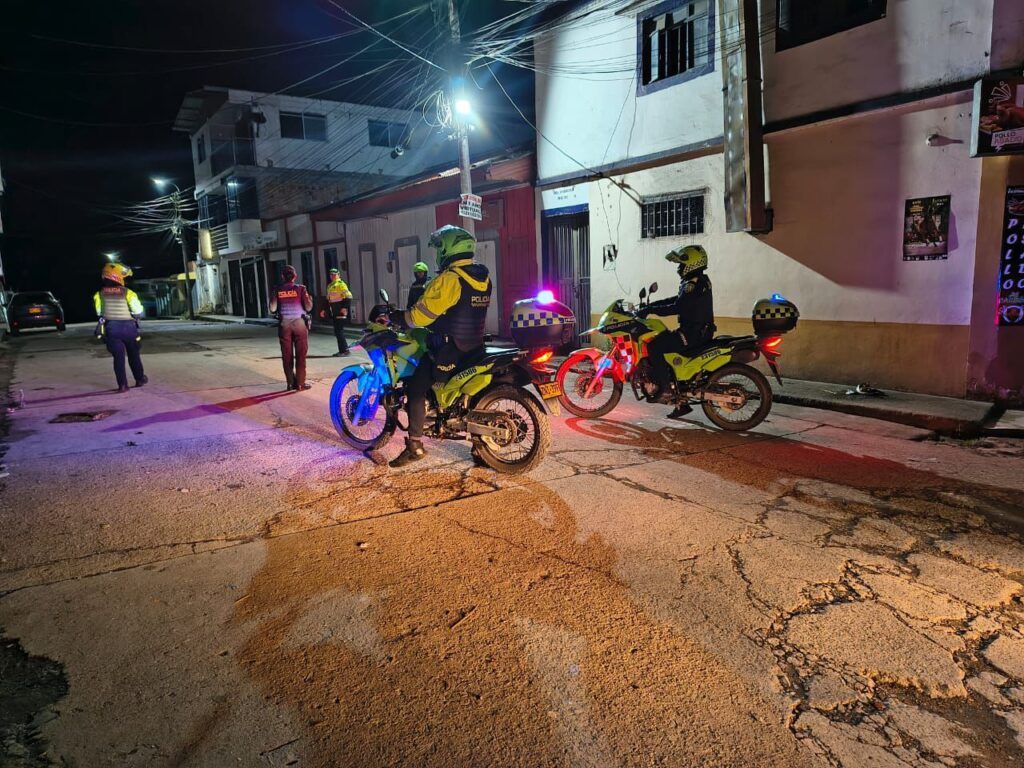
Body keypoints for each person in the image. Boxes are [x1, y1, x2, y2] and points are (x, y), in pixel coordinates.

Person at [388, 225, 491, 467]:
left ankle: (414, 445)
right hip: (474, 347)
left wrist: (397, 317)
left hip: (449, 349)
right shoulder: (483, 276)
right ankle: (480, 447)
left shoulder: (450, 279)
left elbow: (419, 317)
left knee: (415, 387)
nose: (437, 254)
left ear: (447, 250)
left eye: (439, 249)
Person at [638, 244, 715, 418]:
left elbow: (677, 307)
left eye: (681, 264)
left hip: (693, 334)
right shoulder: (696, 281)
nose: (679, 268)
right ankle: (681, 403)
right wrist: (651, 306)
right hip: (696, 331)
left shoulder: (694, 284)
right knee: (666, 347)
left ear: (692, 264)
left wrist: (651, 310)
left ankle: (665, 389)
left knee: (655, 346)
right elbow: (676, 300)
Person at [93, 262, 147, 393]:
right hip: (129, 328)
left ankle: (122, 385)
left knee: (118, 358)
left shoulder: (99, 294)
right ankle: (140, 379)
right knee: (134, 355)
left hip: (111, 329)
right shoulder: (128, 293)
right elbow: (138, 311)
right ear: (118, 277)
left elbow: (99, 312)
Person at [269, 264, 314, 391]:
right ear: (295, 276)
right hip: (300, 324)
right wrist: (309, 299)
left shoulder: (277, 290)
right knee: (301, 355)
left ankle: (290, 383)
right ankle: (300, 383)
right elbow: (308, 307)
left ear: (282, 277)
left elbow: (272, 308)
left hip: (284, 325)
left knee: (287, 355)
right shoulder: (301, 289)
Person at [324, 267, 353, 357]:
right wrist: (325, 310)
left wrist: (344, 308)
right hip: (334, 311)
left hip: (340, 310)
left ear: (338, 275)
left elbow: (348, 297)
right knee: (337, 331)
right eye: (331, 275)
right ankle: (342, 350)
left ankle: (345, 351)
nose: (332, 276)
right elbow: (328, 300)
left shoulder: (341, 284)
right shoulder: (330, 286)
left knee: (339, 331)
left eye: (334, 275)